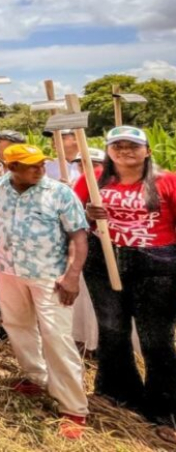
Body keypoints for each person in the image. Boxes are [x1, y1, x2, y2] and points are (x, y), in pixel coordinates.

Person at [0, 144, 90, 439]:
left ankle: (73, 406)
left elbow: (78, 235)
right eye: (31, 166)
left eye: (41, 164)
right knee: (17, 326)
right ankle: (36, 377)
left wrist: (72, 276)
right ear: (12, 167)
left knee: (57, 335)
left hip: (49, 275)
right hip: (7, 269)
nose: (40, 169)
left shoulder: (59, 192)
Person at [73, 126, 176, 442]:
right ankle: (116, 392)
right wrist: (88, 213)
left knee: (155, 337)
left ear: (147, 151)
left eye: (133, 146)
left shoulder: (166, 181)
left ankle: (164, 410)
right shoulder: (93, 178)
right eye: (117, 146)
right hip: (103, 261)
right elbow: (73, 217)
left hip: (156, 263)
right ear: (108, 150)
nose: (125, 151)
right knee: (112, 330)